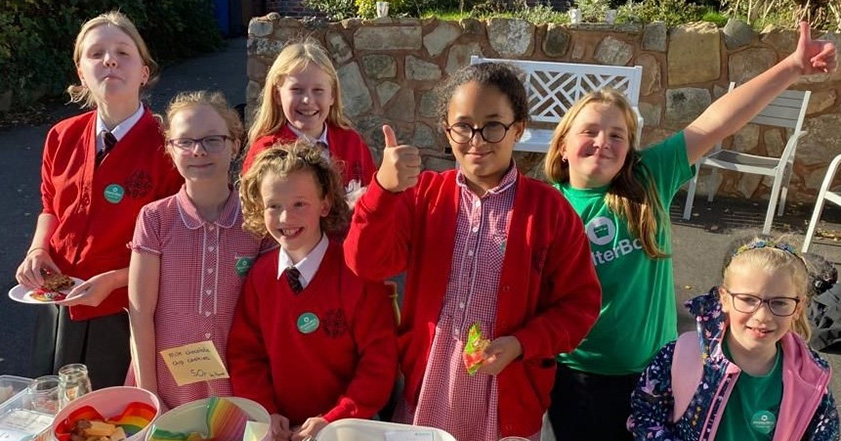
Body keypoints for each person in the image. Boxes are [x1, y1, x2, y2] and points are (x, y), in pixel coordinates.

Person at [543, 22, 836, 440]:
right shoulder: (544, 205)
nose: (602, 142)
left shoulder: (648, 179)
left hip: (658, 373)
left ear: (629, 150)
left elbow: (717, 121)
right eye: (589, 131)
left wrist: (791, 66)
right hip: (576, 376)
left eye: (617, 135)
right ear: (562, 145)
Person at [343, 62, 602, 441]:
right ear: (447, 130)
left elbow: (580, 306)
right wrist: (383, 190)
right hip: (427, 393)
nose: (477, 140)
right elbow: (365, 262)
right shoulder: (423, 196)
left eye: (493, 125)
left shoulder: (550, 212)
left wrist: (522, 343)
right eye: (463, 126)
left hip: (507, 401)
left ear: (518, 128)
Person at [14, 11, 183, 389]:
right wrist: (37, 249)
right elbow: (50, 206)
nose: (109, 60)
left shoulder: (169, 146)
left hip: (125, 308)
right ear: (80, 73)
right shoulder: (61, 135)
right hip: (57, 304)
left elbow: (178, 246)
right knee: (56, 407)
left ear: (144, 70)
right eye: (96, 53)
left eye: (123, 52)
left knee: (114, 416)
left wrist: (119, 280)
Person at [229, 143, 397, 441]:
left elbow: (379, 362)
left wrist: (335, 419)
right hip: (278, 429)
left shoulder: (357, 276)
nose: (285, 218)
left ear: (325, 204)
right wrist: (265, 411)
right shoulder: (260, 277)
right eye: (274, 206)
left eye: (299, 204)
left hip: (347, 430)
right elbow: (245, 355)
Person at [127, 91, 265, 410]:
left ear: (235, 144)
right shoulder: (155, 218)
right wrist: (149, 395)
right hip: (165, 383)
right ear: (170, 149)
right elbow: (140, 313)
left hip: (238, 383)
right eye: (185, 141)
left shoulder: (258, 219)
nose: (198, 151)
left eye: (212, 140)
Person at [627, 236, 840, 440]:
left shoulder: (811, 375)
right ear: (724, 299)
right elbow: (646, 416)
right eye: (747, 299)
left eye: (780, 302)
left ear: (798, 307)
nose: (763, 316)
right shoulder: (681, 355)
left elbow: (825, 433)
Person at [241, 38, 376, 200]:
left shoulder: (352, 143)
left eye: (318, 90)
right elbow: (254, 217)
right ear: (277, 95)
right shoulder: (265, 151)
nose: (307, 100)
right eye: (296, 90)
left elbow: (374, 204)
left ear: (332, 95)